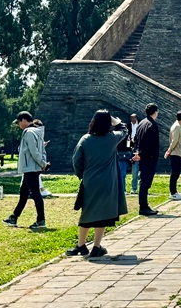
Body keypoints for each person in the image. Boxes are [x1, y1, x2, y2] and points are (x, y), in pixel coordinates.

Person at [66, 110, 128, 258]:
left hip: (90, 181)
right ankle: (96, 246)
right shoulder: (112, 138)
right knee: (103, 214)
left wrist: (82, 175)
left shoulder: (85, 139)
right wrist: (117, 122)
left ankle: (81, 245)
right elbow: (124, 130)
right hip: (108, 182)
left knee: (87, 211)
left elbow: (76, 161)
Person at [3, 111, 47, 229]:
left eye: (18, 122)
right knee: (23, 194)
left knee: (36, 194)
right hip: (31, 168)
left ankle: (41, 220)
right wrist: (43, 163)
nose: (19, 125)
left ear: (23, 120)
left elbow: (34, 152)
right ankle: (14, 217)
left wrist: (43, 164)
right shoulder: (37, 132)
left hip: (30, 168)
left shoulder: (29, 132)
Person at [133, 103, 160, 216]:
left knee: (143, 181)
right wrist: (142, 154)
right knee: (145, 182)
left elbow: (136, 139)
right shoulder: (152, 125)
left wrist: (137, 152)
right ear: (155, 112)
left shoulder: (142, 123)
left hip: (142, 157)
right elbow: (149, 144)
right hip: (149, 157)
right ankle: (143, 206)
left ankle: (144, 205)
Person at [164, 110, 181, 200]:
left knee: (175, 173)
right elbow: (174, 141)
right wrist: (169, 150)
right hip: (176, 153)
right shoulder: (177, 127)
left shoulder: (177, 125)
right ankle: (173, 192)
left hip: (177, 153)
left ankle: (174, 191)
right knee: (175, 173)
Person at [33, 118, 52, 198]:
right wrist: (43, 163)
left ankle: (39, 190)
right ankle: (42, 190)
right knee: (36, 175)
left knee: (29, 177)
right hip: (33, 160)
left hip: (31, 161)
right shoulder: (32, 134)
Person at [116, 124, 133, 194]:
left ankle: (122, 189)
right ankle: (122, 189)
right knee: (122, 174)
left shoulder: (117, 136)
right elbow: (128, 146)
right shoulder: (122, 137)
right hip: (123, 155)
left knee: (122, 173)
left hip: (121, 155)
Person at [129, 113, 139, 194]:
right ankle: (134, 188)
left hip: (141, 150)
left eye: (133, 118)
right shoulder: (128, 125)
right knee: (134, 171)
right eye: (131, 118)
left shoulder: (140, 125)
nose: (132, 120)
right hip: (133, 148)